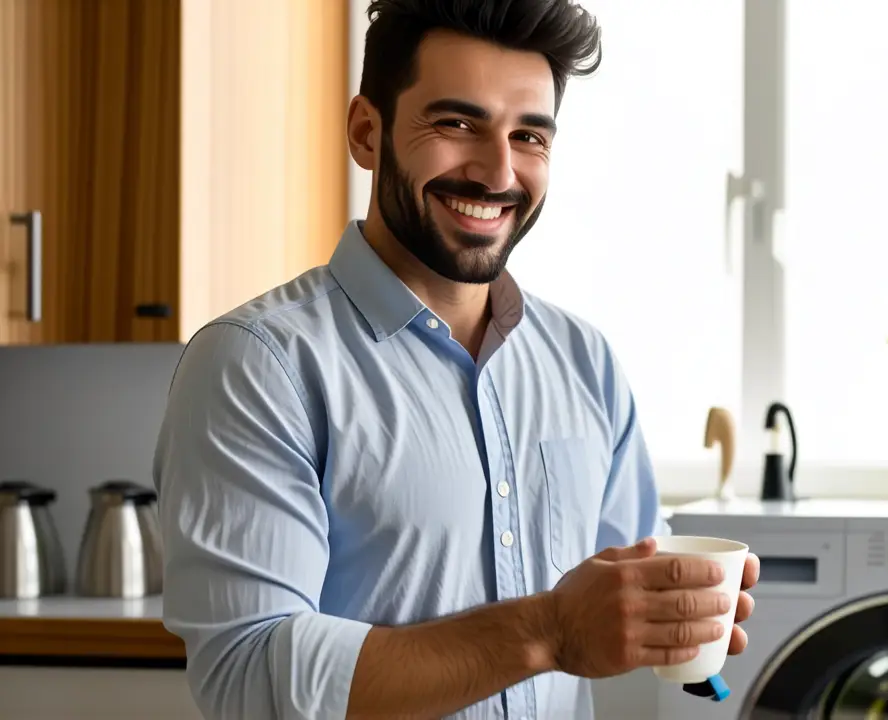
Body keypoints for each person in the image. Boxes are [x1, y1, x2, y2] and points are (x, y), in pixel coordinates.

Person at [152, 0, 759, 718]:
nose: (497, 172)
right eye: (457, 124)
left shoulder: (584, 361)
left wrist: (679, 626)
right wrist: (550, 632)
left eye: (529, 136)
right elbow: (248, 677)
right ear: (366, 132)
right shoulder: (258, 365)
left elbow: (618, 595)